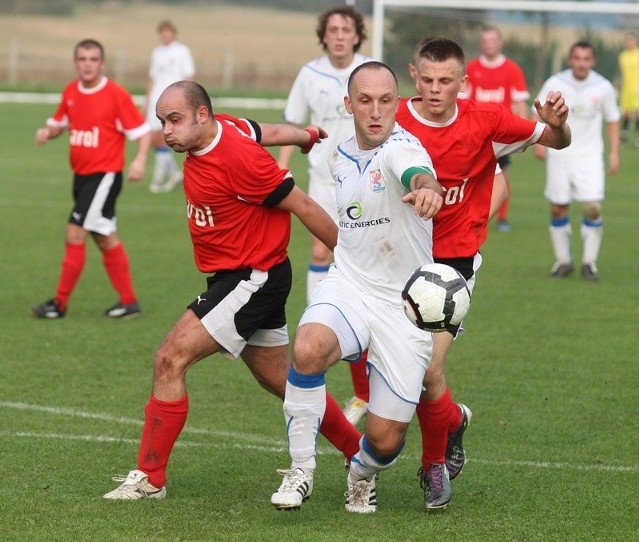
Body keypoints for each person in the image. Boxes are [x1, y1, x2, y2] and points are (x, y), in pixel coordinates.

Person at [103, 80, 362, 500]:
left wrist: (355, 264)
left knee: (169, 360)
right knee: (283, 381)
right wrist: (308, 136)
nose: (166, 131)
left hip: (251, 278)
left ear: (202, 115)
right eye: (161, 121)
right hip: (247, 275)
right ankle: (357, 451)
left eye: (174, 120)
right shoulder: (226, 128)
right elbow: (269, 131)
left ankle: (151, 478)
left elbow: (305, 207)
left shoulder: (240, 159)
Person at [394, 37, 570, 510]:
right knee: (395, 372)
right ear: (414, 75)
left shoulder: (486, 120)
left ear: (463, 81)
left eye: (445, 81)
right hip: (396, 256)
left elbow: (554, 140)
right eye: (427, 80)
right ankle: (452, 421)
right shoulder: (392, 120)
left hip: (452, 263)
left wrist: (558, 125)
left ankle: (432, 466)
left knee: (428, 369)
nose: (435, 90)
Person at [271, 61, 444, 514]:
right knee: (308, 348)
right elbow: (347, 226)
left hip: (403, 307)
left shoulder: (404, 149)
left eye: (386, 100)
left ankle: (362, 473)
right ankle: (300, 469)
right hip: (349, 284)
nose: (375, 111)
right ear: (348, 104)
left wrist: (426, 188)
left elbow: (416, 173)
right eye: (364, 100)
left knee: (386, 440)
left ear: (397, 104)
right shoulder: (338, 155)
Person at [276, 4, 371, 426]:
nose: (338, 35)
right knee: (320, 250)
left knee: (362, 263)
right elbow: (292, 124)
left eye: (345, 29)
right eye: (331, 29)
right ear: (324, 35)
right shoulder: (309, 74)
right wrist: (280, 168)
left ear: (356, 35)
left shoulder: (370, 70)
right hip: (322, 179)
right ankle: (322, 319)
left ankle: (367, 381)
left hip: (366, 181)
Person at [32, 39, 151, 320]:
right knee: (104, 237)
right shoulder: (71, 92)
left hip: (104, 176)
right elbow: (59, 124)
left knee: (75, 232)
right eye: (82, 58)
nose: (87, 63)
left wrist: (140, 160)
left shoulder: (116, 95)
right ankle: (129, 302)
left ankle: (58, 304)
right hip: (82, 178)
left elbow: (143, 132)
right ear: (76, 63)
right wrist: (46, 133)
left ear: (102, 63)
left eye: (93, 59)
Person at [533, 41, 619, 281]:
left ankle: (589, 263)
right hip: (560, 155)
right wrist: (539, 141)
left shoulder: (603, 86)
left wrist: (614, 152)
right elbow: (538, 111)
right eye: (577, 58)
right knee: (558, 207)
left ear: (593, 61)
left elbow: (612, 119)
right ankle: (563, 262)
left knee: (592, 209)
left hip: (590, 157)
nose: (581, 63)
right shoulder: (555, 83)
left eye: (586, 58)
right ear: (570, 60)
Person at [461, 25, 531, 233]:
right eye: (485, 41)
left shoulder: (512, 69)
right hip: (474, 134)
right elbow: (462, 102)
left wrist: (522, 133)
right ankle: (468, 215)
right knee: (469, 176)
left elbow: (519, 103)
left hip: (500, 134)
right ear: (481, 44)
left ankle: (501, 218)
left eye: (493, 40)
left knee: (500, 175)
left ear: (500, 42)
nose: (489, 44)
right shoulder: (471, 68)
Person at [145, 20, 195, 193]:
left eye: (168, 32)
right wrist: (146, 102)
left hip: (173, 100)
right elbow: (152, 79)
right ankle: (173, 173)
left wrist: (189, 100)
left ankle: (158, 180)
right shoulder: (157, 52)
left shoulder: (182, 51)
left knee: (164, 137)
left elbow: (189, 76)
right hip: (155, 101)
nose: (165, 35)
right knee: (153, 138)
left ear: (173, 33)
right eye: (163, 32)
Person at [618, 33, 639, 146]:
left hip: (638, 89)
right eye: (629, 41)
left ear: (636, 42)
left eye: (632, 40)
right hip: (626, 90)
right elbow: (622, 74)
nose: (630, 43)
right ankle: (624, 138)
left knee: (638, 113)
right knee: (625, 113)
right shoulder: (623, 56)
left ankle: (638, 138)